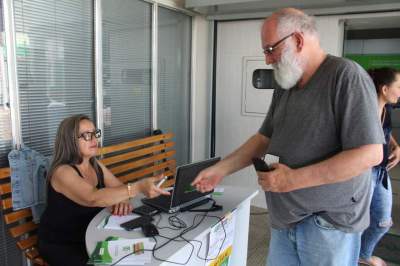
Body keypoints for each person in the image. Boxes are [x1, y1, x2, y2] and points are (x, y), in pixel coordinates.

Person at [192, 8, 385, 266]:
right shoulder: (287, 84)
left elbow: (370, 154)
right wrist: (221, 169)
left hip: (327, 225)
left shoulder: (346, 76)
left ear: (298, 40)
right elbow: (263, 138)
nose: (268, 59)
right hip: (287, 218)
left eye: (270, 49)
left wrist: (292, 180)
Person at [38, 114, 169, 266]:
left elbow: (119, 187)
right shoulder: (62, 172)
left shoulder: (95, 164)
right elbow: (93, 197)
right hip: (63, 243)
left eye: (95, 133)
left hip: (92, 232)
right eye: (86, 135)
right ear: (70, 140)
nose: (94, 139)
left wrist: (123, 199)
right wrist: (138, 187)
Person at [359, 68, 400, 266]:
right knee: (355, 222)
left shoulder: (387, 109)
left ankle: (361, 255)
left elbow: (385, 131)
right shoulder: (362, 112)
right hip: (362, 174)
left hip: (381, 173)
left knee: (382, 222)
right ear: (384, 89)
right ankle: (355, 258)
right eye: (399, 86)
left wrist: (395, 145)